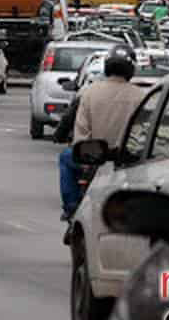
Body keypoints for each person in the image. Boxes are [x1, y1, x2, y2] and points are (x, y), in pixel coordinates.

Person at [58, 46, 146, 220]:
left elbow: (81, 132)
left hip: (93, 157)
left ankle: (71, 208)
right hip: (126, 160)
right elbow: (144, 133)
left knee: (65, 158)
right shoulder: (140, 95)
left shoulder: (89, 92)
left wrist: (84, 157)